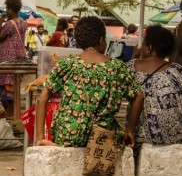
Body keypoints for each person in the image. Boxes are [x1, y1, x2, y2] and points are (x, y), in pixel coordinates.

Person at [36, 16, 142, 147]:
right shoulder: (116, 67)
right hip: (101, 137)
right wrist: (129, 130)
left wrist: (40, 137)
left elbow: (42, 98)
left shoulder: (66, 64)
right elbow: (139, 96)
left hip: (68, 135)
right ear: (101, 40)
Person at [124, 25, 182, 149]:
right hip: (177, 140)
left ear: (149, 48)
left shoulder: (131, 68)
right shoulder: (178, 71)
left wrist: (134, 56)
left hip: (141, 140)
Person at [0, 0, 27, 117]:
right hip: (18, 58)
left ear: (11, 9)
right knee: (13, 89)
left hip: (8, 60)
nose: (6, 11)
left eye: (7, 8)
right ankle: (14, 117)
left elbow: (0, 37)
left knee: (6, 91)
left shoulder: (10, 24)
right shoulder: (23, 22)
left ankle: (10, 118)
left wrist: (0, 23)